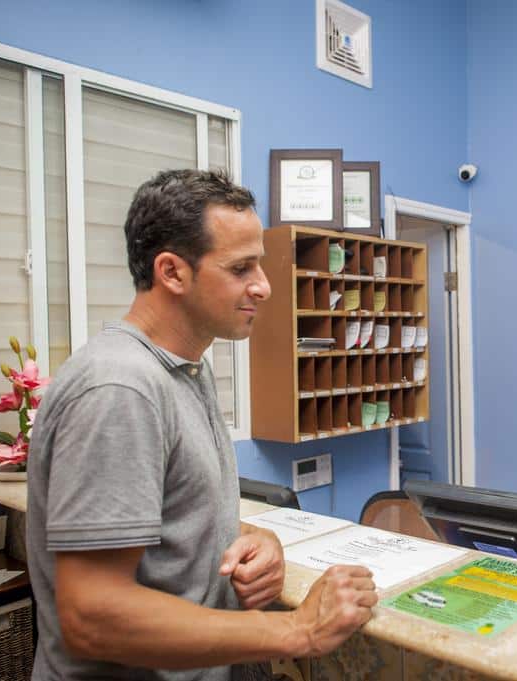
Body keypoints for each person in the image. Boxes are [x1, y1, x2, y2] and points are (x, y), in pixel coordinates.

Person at [26, 169, 377, 680]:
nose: (264, 286)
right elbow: (93, 615)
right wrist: (298, 630)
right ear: (172, 272)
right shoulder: (120, 387)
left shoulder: (186, 368)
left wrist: (255, 539)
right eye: (241, 268)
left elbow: (169, 516)